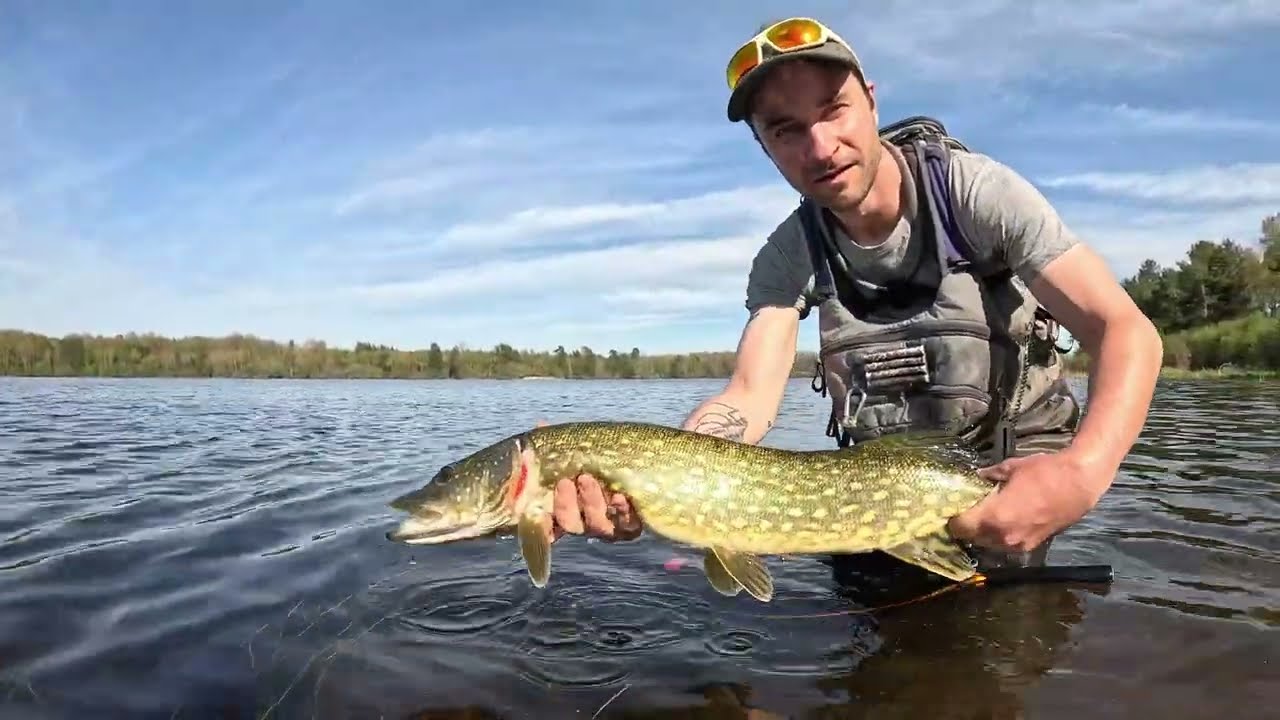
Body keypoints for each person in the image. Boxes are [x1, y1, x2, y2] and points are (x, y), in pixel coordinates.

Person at [538, 16, 1163, 573]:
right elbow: (749, 397)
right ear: (763, 147)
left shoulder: (976, 195)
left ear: (869, 100)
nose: (818, 147)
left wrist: (1083, 474)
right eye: (785, 130)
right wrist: (659, 484)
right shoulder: (787, 256)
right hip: (874, 483)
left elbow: (1124, 330)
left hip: (1008, 473)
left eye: (832, 109)